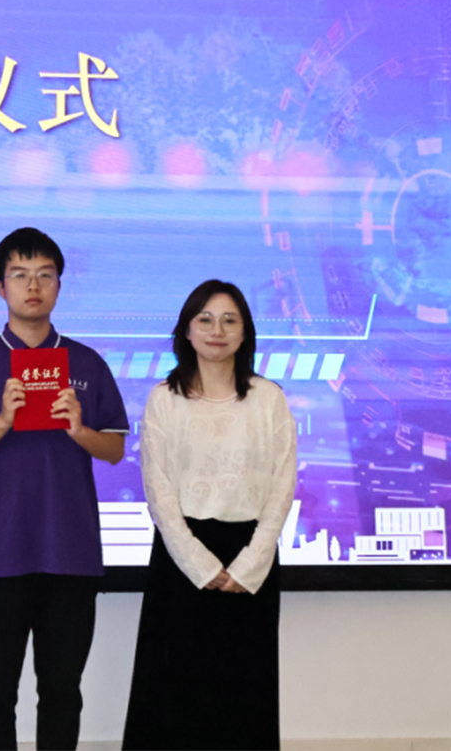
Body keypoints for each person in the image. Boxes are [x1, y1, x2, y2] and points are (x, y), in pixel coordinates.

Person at [0, 227, 133, 751]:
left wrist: (79, 429)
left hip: (71, 554)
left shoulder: (86, 363)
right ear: (1, 287)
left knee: (62, 693)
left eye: (45, 275)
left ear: (60, 285)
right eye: (20, 275)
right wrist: (2, 421)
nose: (33, 286)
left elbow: (114, 449)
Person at [125, 279, 297, 749]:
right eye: (204, 319)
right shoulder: (164, 398)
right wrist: (198, 563)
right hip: (180, 561)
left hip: (250, 562)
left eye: (229, 320)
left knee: (244, 698)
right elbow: (158, 489)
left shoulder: (269, 398)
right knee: (172, 699)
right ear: (186, 330)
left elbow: (282, 486)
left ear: (245, 332)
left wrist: (250, 563)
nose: (216, 330)